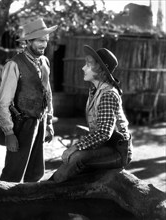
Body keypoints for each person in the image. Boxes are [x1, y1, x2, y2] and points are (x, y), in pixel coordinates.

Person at [51, 45, 133, 183]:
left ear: (101, 69)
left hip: (118, 150)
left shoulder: (108, 94)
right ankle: (52, 185)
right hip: (105, 146)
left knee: (77, 157)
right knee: (74, 158)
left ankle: (49, 188)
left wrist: (75, 147)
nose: (84, 68)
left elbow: (104, 132)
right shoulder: (95, 90)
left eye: (88, 64)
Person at [0, 18, 57, 183]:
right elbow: (3, 102)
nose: (44, 44)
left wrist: (49, 121)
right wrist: (9, 133)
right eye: (39, 40)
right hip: (21, 124)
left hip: (40, 119)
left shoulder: (44, 62)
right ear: (28, 42)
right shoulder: (14, 64)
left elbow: (47, 92)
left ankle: (28, 206)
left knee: (35, 172)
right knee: (13, 173)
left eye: (45, 40)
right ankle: (3, 204)